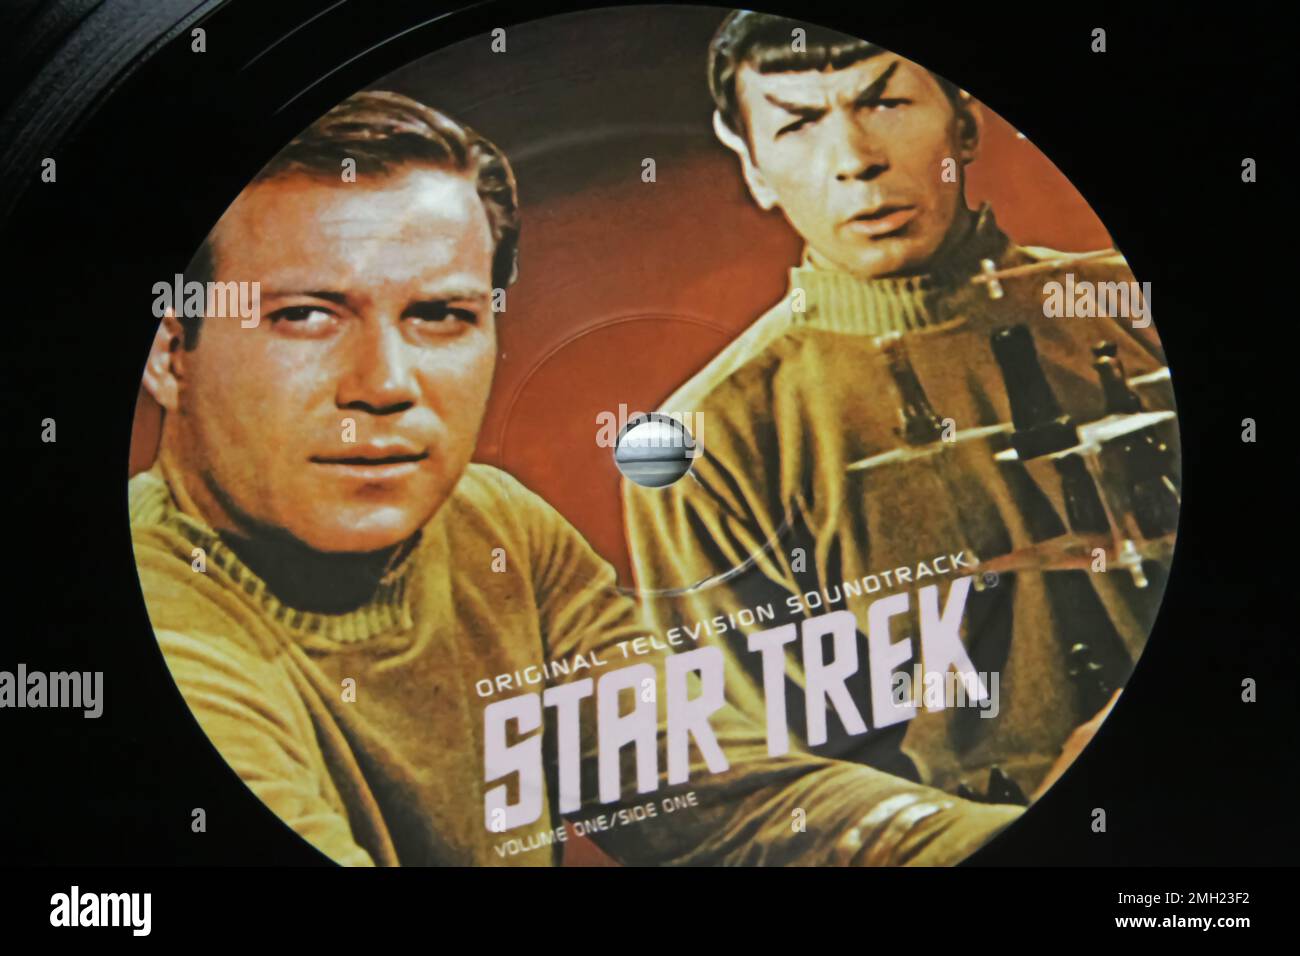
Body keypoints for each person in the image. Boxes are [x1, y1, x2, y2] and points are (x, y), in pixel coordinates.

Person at [130, 90, 1027, 866]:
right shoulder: (170, 631)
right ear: (172, 352)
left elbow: (733, 798)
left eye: (440, 314)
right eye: (305, 316)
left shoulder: (494, 528)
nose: (386, 383)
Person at [622, 12, 1174, 803]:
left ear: (966, 125)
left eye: (885, 103)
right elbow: (779, 797)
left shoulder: (1130, 305)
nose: (855, 160)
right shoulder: (703, 444)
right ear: (751, 165)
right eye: (798, 124)